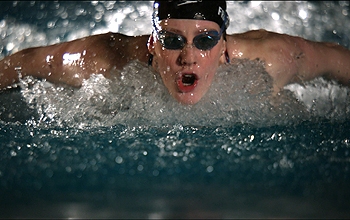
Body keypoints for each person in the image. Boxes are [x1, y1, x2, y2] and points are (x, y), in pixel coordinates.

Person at [1, 0, 350, 105]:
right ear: (152, 45)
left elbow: (340, 61)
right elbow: (18, 64)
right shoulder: (105, 60)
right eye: (171, 40)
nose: (188, 56)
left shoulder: (273, 59)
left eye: (205, 40)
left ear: (224, 47)